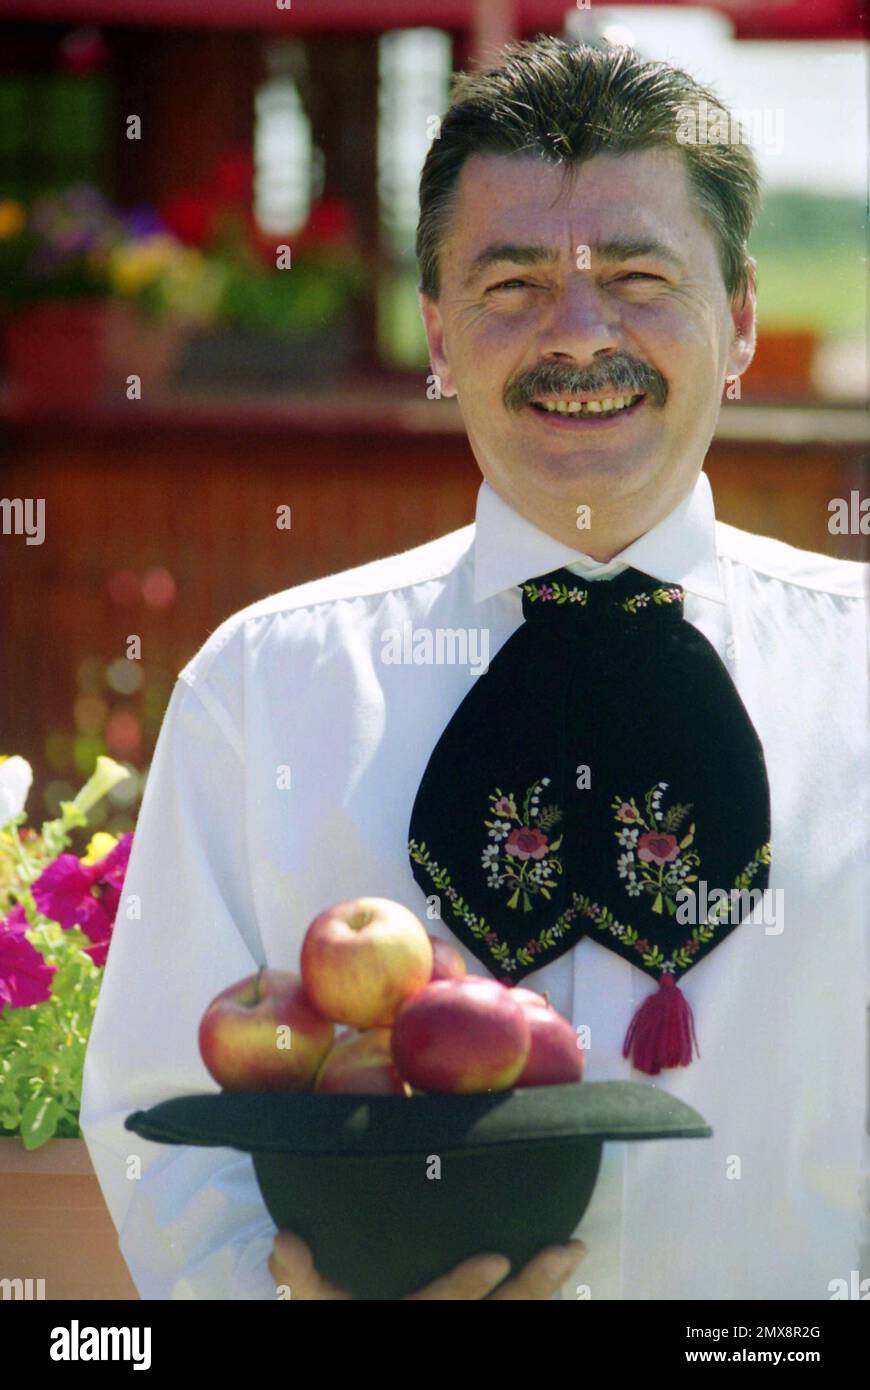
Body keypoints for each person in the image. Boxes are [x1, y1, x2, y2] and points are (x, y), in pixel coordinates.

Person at [80, 37, 868, 1300]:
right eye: (511, 286)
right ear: (439, 333)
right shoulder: (267, 686)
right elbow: (158, 1108)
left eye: (638, 274)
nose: (577, 332)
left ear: (743, 319)